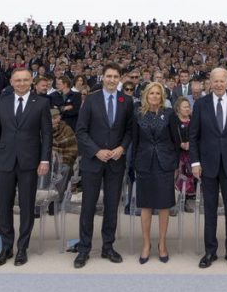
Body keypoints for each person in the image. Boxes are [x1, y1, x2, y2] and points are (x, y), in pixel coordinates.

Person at [0, 68, 52, 267]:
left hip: (30, 162)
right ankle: (6, 248)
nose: (21, 83)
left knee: (26, 205)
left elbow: (47, 135)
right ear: (11, 82)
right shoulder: (1, 103)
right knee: (3, 205)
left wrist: (44, 160)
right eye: (18, 80)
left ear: (31, 81)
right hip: (5, 161)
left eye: (25, 80)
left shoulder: (41, 103)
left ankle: (22, 247)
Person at [74, 63, 133, 268]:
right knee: (88, 206)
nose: (112, 79)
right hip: (93, 161)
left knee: (111, 206)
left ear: (120, 79)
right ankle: (84, 248)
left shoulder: (127, 101)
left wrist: (122, 148)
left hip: (116, 161)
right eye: (108, 76)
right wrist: (96, 151)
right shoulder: (91, 100)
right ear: (102, 77)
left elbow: (129, 130)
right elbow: (81, 131)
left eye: (116, 76)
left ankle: (108, 246)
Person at [190, 67, 227, 268]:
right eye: (214, 81)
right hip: (207, 165)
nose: (218, 84)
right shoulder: (200, 104)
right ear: (210, 82)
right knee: (210, 210)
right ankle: (210, 251)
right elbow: (194, 136)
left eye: (222, 80)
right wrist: (195, 162)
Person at [131, 82, 179, 264]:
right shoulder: (138, 114)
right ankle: (146, 244)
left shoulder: (169, 114)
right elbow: (135, 141)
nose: (154, 96)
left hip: (164, 164)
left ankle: (162, 243)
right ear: (146, 95)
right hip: (144, 163)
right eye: (151, 93)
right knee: (146, 206)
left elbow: (175, 141)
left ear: (162, 97)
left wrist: (174, 164)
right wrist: (134, 164)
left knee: (164, 205)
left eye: (158, 94)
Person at [172, 97, 195, 211]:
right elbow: (171, 136)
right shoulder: (174, 121)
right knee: (177, 177)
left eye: (188, 107)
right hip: (177, 154)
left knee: (188, 178)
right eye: (184, 107)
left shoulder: (193, 121)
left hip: (190, 154)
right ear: (178, 108)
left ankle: (185, 202)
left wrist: (191, 143)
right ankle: (175, 203)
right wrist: (180, 144)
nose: (187, 109)